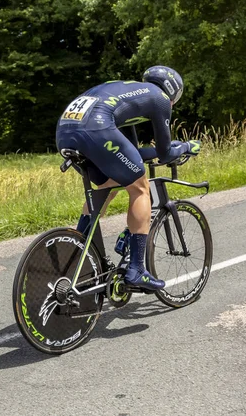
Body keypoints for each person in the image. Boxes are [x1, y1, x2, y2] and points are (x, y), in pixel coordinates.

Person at [56, 66, 199, 291]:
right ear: (173, 93)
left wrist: (166, 149)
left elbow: (131, 154)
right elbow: (164, 154)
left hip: (65, 132)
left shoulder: (129, 91)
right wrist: (185, 147)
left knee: (109, 185)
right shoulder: (160, 98)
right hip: (97, 128)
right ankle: (136, 270)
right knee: (140, 188)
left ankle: (77, 255)